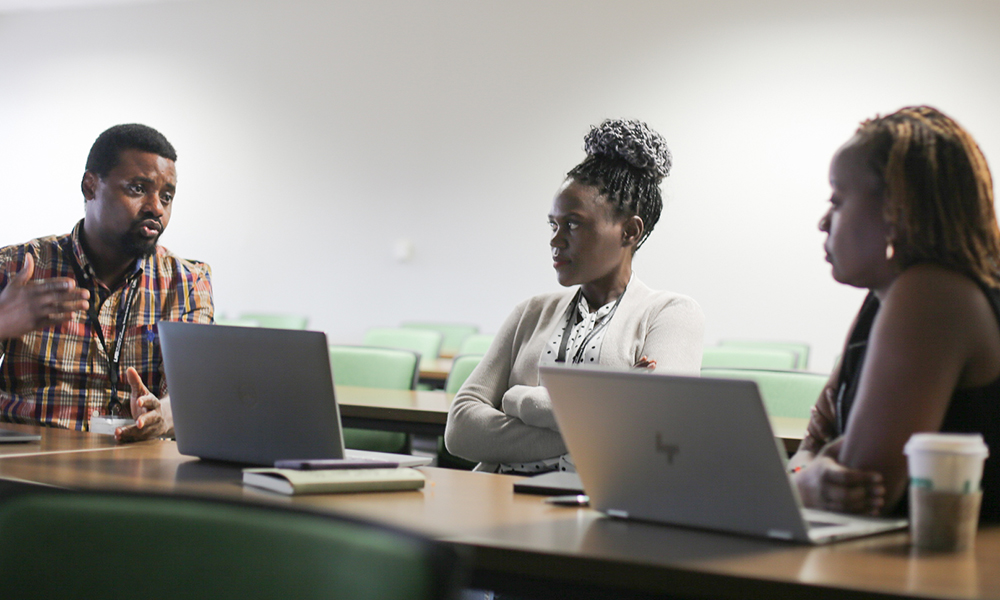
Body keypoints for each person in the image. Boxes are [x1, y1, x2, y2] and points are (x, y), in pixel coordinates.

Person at [444, 119, 704, 473]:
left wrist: (522, 400)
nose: (555, 240)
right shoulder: (530, 312)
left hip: (599, 503)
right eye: (553, 224)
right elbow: (460, 429)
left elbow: (655, 434)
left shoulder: (671, 315)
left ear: (629, 231)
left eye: (573, 224)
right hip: (500, 496)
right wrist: (607, 421)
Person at [791, 106, 1000, 521]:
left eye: (837, 200)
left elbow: (864, 487)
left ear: (896, 210)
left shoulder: (932, 295)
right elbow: (811, 449)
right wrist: (805, 477)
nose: (823, 222)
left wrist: (803, 481)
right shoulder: (883, 300)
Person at [0, 124, 214, 442]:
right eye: (138, 188)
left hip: (135, 461)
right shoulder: (16, 268)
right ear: (90, 187)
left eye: (167, 197)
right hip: (28, 459)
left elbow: (191, 393)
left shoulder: (186, 284)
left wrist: (162, 417)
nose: (157, 208)